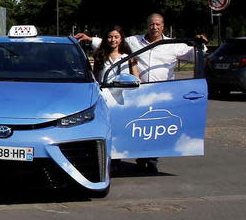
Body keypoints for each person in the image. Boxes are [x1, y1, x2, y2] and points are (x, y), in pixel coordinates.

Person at [76, 13, 207, 173]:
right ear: (147, 25)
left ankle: (150, 160)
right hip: (138, 92)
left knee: (155, 130)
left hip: (163, 92)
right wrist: (90, 39)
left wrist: (200, 43)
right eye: (152, 24)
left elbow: (196, 54)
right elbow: (114, 40)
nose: (155, 27)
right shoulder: (134, 41)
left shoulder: (174, 44)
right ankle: (120, 158)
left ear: (163, 26)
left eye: (158, 24)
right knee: (130, 128)